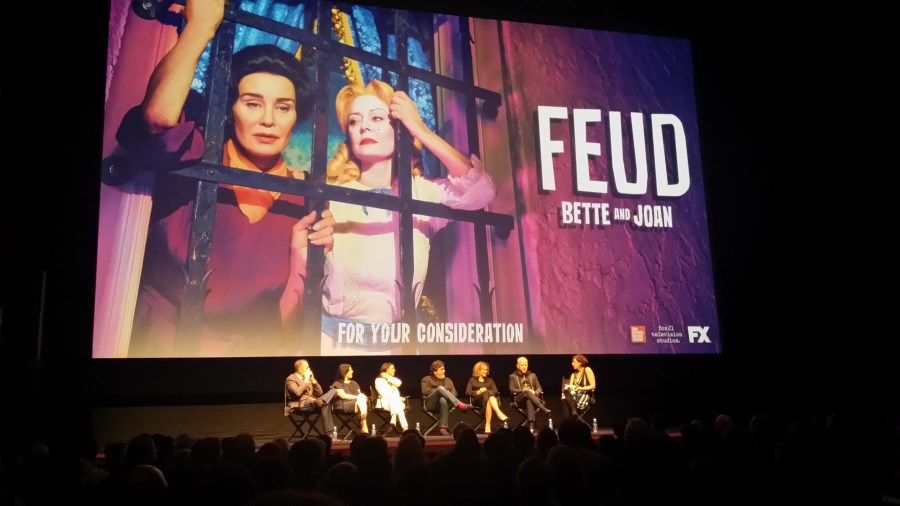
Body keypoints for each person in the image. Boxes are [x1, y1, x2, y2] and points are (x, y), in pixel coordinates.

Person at [111, 0, 334, 357]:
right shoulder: (198, 154)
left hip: (240, 362)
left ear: (296, 117)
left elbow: (288, 323)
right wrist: (200, 27)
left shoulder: (306, 197)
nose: (268, 120)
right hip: (152, 346)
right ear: (230, 108)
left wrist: (304, 265)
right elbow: (156, 120)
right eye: (252, 103)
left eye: (283, 107)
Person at [319, 79, 497, 354]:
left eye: (377, 118)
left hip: (400, 348)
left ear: (399, 128)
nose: (364, 127)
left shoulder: (421, 192)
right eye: (354, 121)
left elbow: (482, 191)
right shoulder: (334, 196)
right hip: (333, 346)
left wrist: (419, 128)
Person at [285, 359, 337, 435]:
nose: (309, 369)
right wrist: (306, 380)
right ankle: (330, 434)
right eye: (307, 368)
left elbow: (319, 393)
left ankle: (320, 402)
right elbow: (297, 393)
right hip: (299, 404)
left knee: (334, 391)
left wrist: (313, 380)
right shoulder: (291, 379)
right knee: (325, 404)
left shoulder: (308, 379)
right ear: (300, 370)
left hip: (313, 402)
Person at [420, 360, 472, 436]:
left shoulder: (447, 380)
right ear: (435, 372)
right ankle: (460, 405)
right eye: (441, 369)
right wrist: (440, 391)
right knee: (440, 389)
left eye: (444, 369)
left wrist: (444, 393)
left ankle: (443, 428)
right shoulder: (426, 379)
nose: (444, 371)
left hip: (444, 404)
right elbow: (425, 391)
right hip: (431, 404)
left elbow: (455, 392)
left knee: (443, 399)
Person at [465, 361, 508, 433]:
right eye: (483, 369)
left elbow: (496, 391)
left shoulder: (490, 380)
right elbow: (467, 392)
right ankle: (498, 412)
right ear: (478, 370)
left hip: (489, 401)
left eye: (486, 369)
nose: (486, 371)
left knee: (488, 395)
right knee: (488, 393)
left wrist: (487, 392)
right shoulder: (472, 380)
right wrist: (479, 391)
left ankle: (487, 425)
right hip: (477, 401)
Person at [509, 356, 550, 430]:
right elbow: (511, 390)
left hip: (532, 399)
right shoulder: (512, 376)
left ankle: (531, 425)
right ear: (517, 366)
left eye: (526, 365)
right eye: (522, 365)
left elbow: (539, 388)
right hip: (519, 400)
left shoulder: (533, 375)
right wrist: (523, 391)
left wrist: (534, 392)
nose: (524, 367)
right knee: (527, 391)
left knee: (529, 400)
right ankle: (543, 408)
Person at [331, 363, 368, 434]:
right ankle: (364, 423)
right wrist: (358, 397)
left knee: (361, 399)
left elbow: (359, 393)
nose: (352, 371)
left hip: (357, 403)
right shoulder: (337, 384)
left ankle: (363, 417)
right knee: (361, 401)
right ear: (344, 372)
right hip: (343, 404)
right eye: (350, 370)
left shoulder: (354, 383)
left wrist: (362, 396)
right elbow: (343, 396)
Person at [373, 362, 409, 431]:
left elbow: (399, 383)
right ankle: (405, 428)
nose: (394, 370)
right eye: (392, 368)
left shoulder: (391, 379)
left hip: (395, 404)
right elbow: (385, 395)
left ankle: (393, 417)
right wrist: (399, 398)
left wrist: (388, 377)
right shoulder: (378, 380)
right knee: (396, 402)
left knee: (396, 401)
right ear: (386, 369)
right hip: (385, 403)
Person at [561, 354, 596, 420]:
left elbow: (593, 386)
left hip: (584, 396)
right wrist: (570, 387)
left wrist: (580, 388)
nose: (572, 364)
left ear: (580, 362)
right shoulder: (573, 375)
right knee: (564, 395)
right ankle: (573, 414)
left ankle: (570, 419)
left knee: (565, 397)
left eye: (574, 362)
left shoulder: (587, 370)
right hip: (573, 397)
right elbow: (570, 388)